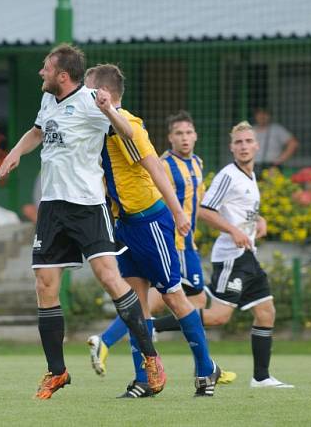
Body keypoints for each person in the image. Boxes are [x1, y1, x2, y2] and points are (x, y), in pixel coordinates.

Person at [0, 44, 165, 400]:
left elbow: (129, 134)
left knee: (109, 277)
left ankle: (151, 357)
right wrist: (14, 151)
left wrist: (109, 110)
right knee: (44, 284)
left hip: (87, 205)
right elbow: (38, 132)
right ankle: (56, 372)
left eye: (46, 68)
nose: (41, 72)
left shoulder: (92, 99)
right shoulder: (48, 100)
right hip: (52, 207)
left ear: (62, 75)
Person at [82, 65, 221, 398]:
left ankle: (205, 370)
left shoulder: (128, 124)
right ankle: (145, 379)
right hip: (125, 225)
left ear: (104, 94)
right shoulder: (100, 127)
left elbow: (155, 168)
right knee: (134, 305)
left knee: (174, 297)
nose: (83, 98)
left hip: (151, 222)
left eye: (88, 91)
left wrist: (177, 213)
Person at [198, 121, 294, 389]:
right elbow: (204, 210)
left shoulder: (250, 175)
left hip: (247, 255)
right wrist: (233, 232)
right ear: (231, 148)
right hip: (231, 256)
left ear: (256, 146)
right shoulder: (228, 175)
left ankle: (261, 377)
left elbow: (239, 210)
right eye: (238, 142)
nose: (243, 146)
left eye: (248, 141)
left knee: (266, 312)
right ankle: (153, 327)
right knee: (218, 317)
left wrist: (257, 221)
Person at [252, 107, 298, 174]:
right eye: (260, 114)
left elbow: (293, 143)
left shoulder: (277, 129)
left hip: (272, 166)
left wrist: (280, 160)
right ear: (255, 116)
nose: (262, 116)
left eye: (265, 114)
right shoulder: (251, 130)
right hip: (253, 165)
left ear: (269, 116)